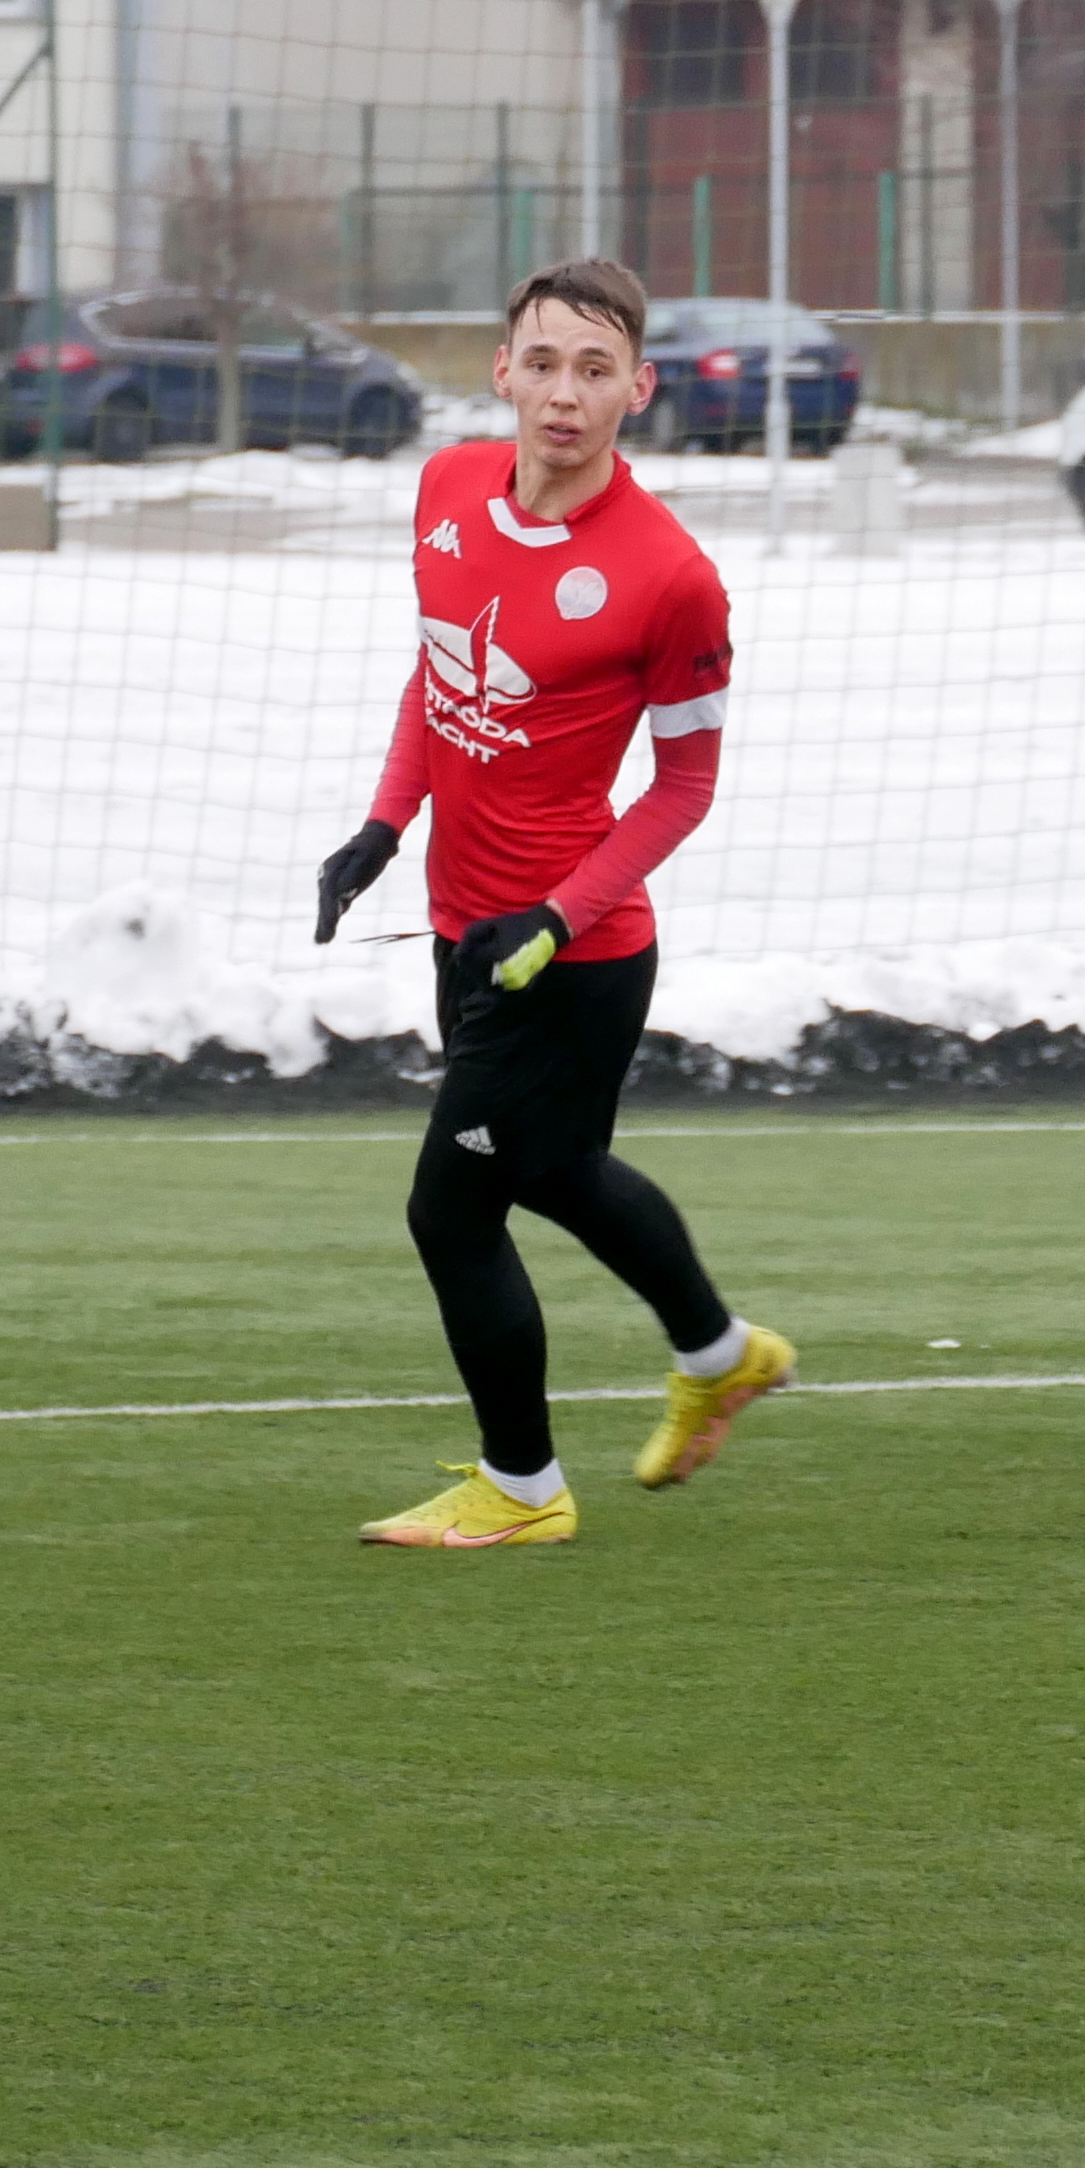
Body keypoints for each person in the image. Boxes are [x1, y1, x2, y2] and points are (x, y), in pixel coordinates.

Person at [316, 259, 787, 1549]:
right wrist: (383, 824)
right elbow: (440, 672)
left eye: (595, 369)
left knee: (450, 1207)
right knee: (558, 1172)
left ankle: (522, 1487)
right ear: (501, 372)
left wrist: (557, 917)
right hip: (468, 929)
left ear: (640, 388)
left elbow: (684, 788)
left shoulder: (671, 576)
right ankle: (722, 1353)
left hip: (570, 959)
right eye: (542, 364)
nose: (564, 394)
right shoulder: (446, 488)